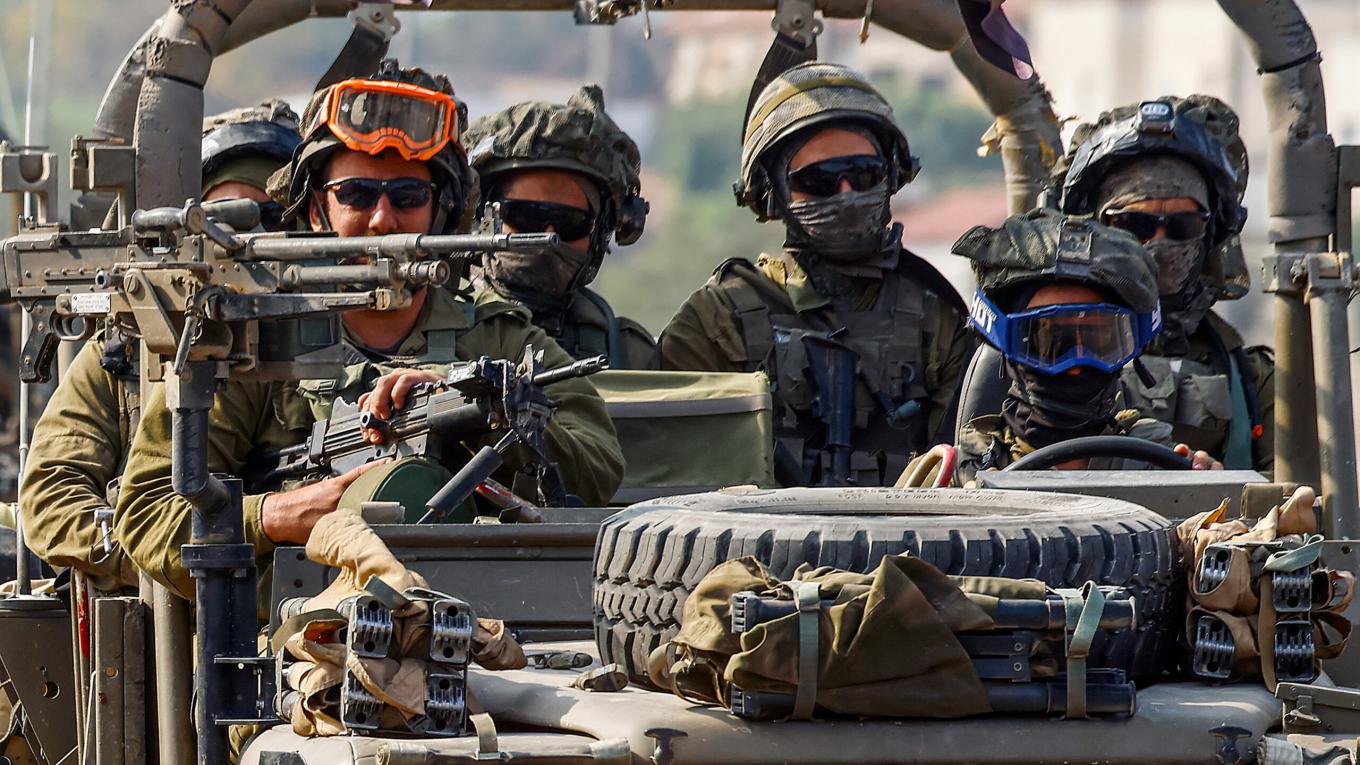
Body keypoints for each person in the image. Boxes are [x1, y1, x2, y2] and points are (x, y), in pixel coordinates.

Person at [115, 62, 623, 600]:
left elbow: (598, 467)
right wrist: (275, 515)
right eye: (356, 194)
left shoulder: (500, 338)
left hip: (482, 623)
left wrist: (480, 405)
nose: (382, 220)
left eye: (407, 196)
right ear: (317, 209)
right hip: (293, 637)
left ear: (440, 210)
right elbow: (148, 513)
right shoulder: (251, 339)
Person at [18, 101, 303, 591]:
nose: (245, 245)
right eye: (223, 223)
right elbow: (49, 501)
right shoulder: (125, 349)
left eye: (269, 220)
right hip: (160, 619)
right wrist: (160, 553)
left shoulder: (330, 338)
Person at [658, 62, 974, 487]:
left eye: (863, 174)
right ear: (772, 192)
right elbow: (671, 472)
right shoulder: (718, 321)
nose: (846, 194)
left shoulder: (938, 319)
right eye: (818, 180)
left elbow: (964, 471)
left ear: (893, 175)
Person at [1058, 96, 1273, 474]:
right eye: (1134, 225)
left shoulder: (1251, 377)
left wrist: (1225, 487)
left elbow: (1299, 495)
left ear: (1211, 232)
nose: (1158, 243)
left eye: (1182, 225)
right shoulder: (1044, 352)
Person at [941, 208, 1219, 486]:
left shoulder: (1165, 469)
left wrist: (1209, 490)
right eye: (1053, 342)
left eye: (1098, 341)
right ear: (1008, 346)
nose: (1076, 364)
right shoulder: (949, 474)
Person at [465, 85, 657, 369]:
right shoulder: (426, 326)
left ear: (600, 231)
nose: (548, 236)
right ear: (481, 216)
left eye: (571, 222)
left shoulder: (627, 354)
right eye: (526, 215)